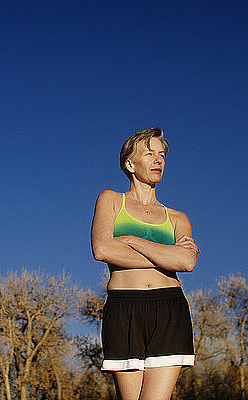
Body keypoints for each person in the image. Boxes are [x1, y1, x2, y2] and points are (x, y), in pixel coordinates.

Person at [90, 127, 199, 400]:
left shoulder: (177, 217)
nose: (158, 160)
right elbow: (102, 249)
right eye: (149, 154)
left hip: (169, 309)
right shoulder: (111, 200)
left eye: (161, 155)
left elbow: (186, 261)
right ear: (129, 163)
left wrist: (132, 241)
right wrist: (166, 254)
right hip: (123, 308)